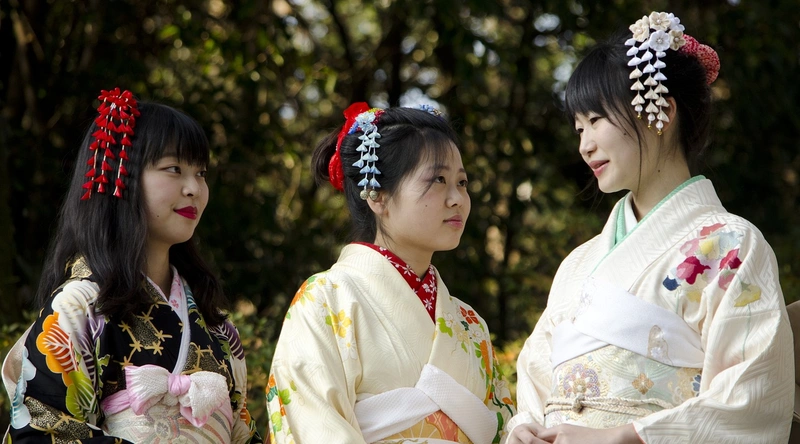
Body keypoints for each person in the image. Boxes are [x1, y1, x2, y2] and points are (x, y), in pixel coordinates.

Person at [508, 12, 793, 444]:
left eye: (596, 120)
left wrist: (626, 435)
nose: (585, 145)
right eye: (579, 128)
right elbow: (535, 379)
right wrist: (526, 426)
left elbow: (752, 398)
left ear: (661, 111)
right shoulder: (577, 264)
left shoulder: (732, 245)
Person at [1, 88, 261, 443]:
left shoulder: (218, 327)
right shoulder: (78, 308)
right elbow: (43, 431)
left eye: (201, 173)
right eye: (174, 169)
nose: (194, 189)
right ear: (120, 177)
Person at [266, 103, 515, 443]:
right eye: (438, 180)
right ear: (378, 195)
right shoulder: (325, 300)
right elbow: (314, 426)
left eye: (462, 182)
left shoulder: (470, 323)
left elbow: (501, 428)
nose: (457, 198)